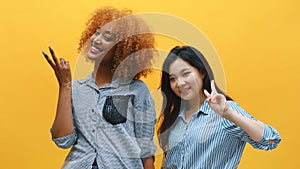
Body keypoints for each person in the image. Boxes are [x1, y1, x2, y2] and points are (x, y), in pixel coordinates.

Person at [42, 6, 156, 169]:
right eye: (96, 33)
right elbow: (63, 140)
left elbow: (145, 149)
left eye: (107, 37)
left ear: (122, 48)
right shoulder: (76, 89)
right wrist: (65, 85)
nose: (96, 39)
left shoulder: (136, 90)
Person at [157, 46, 281, 168]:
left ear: (202, 72)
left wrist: (228, 113)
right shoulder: (175, 118)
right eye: (172, 79)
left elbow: (270, 140)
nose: (179, 83)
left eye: (185, 74)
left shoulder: (224, 111)